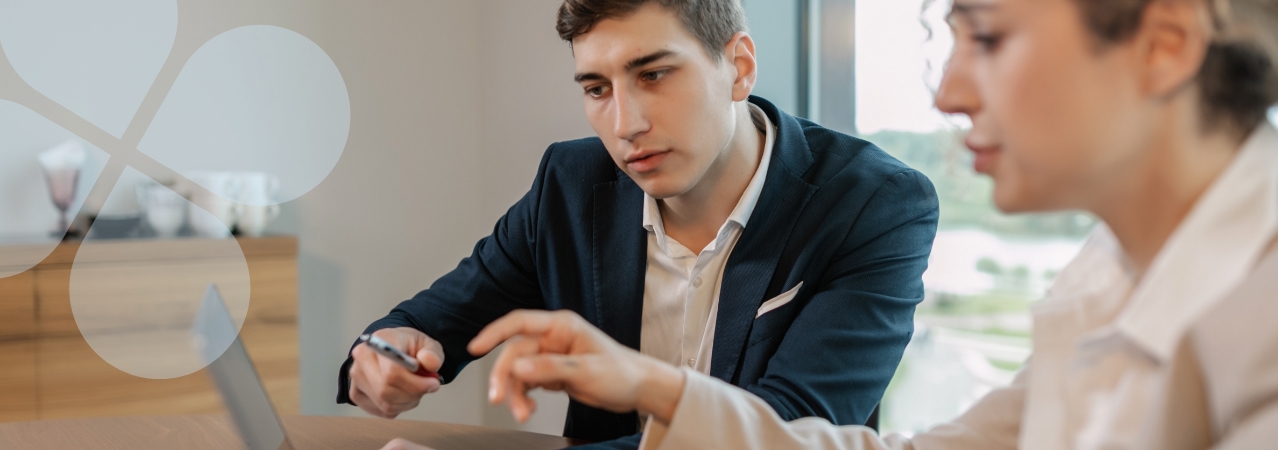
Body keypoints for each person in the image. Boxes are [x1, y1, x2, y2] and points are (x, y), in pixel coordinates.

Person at [454, 0, 1279, 449]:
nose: (947, 93)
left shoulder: (1260, 322)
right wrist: (654, 386)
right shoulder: (1111, 280)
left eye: (985, 36)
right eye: (944, 39)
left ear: (1165, 43)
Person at [342, 0, 939, 448]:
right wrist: (384, 352)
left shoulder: (876, 204)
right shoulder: (572, 184)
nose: (624, 124)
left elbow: (791, 427)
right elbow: (430, 322)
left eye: (653, 74)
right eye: (597, 88)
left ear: (739, 67)